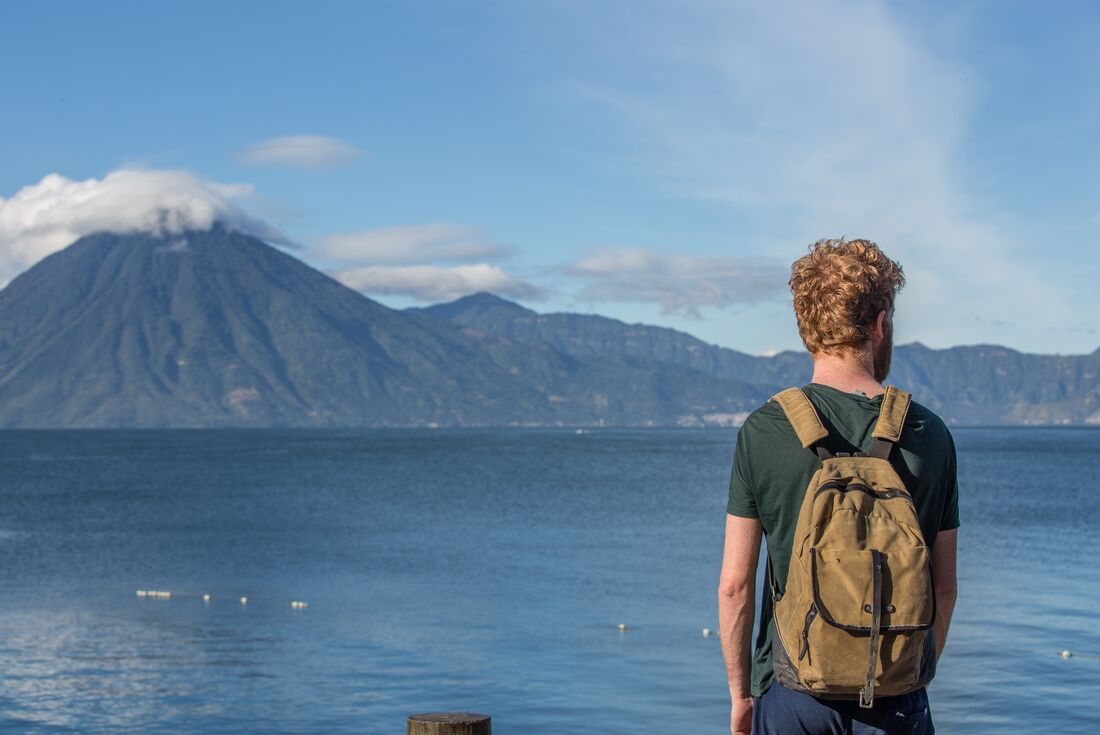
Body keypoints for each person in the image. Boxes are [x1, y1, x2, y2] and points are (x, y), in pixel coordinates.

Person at [718, 239, 959, 735]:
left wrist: (741, 696)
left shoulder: (765, 431)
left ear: (806, 329)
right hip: (897, 703)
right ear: (879, 324)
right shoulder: (929, 433)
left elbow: (735, 586)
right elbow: (944, 587)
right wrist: (907, 672)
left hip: (794, 695)